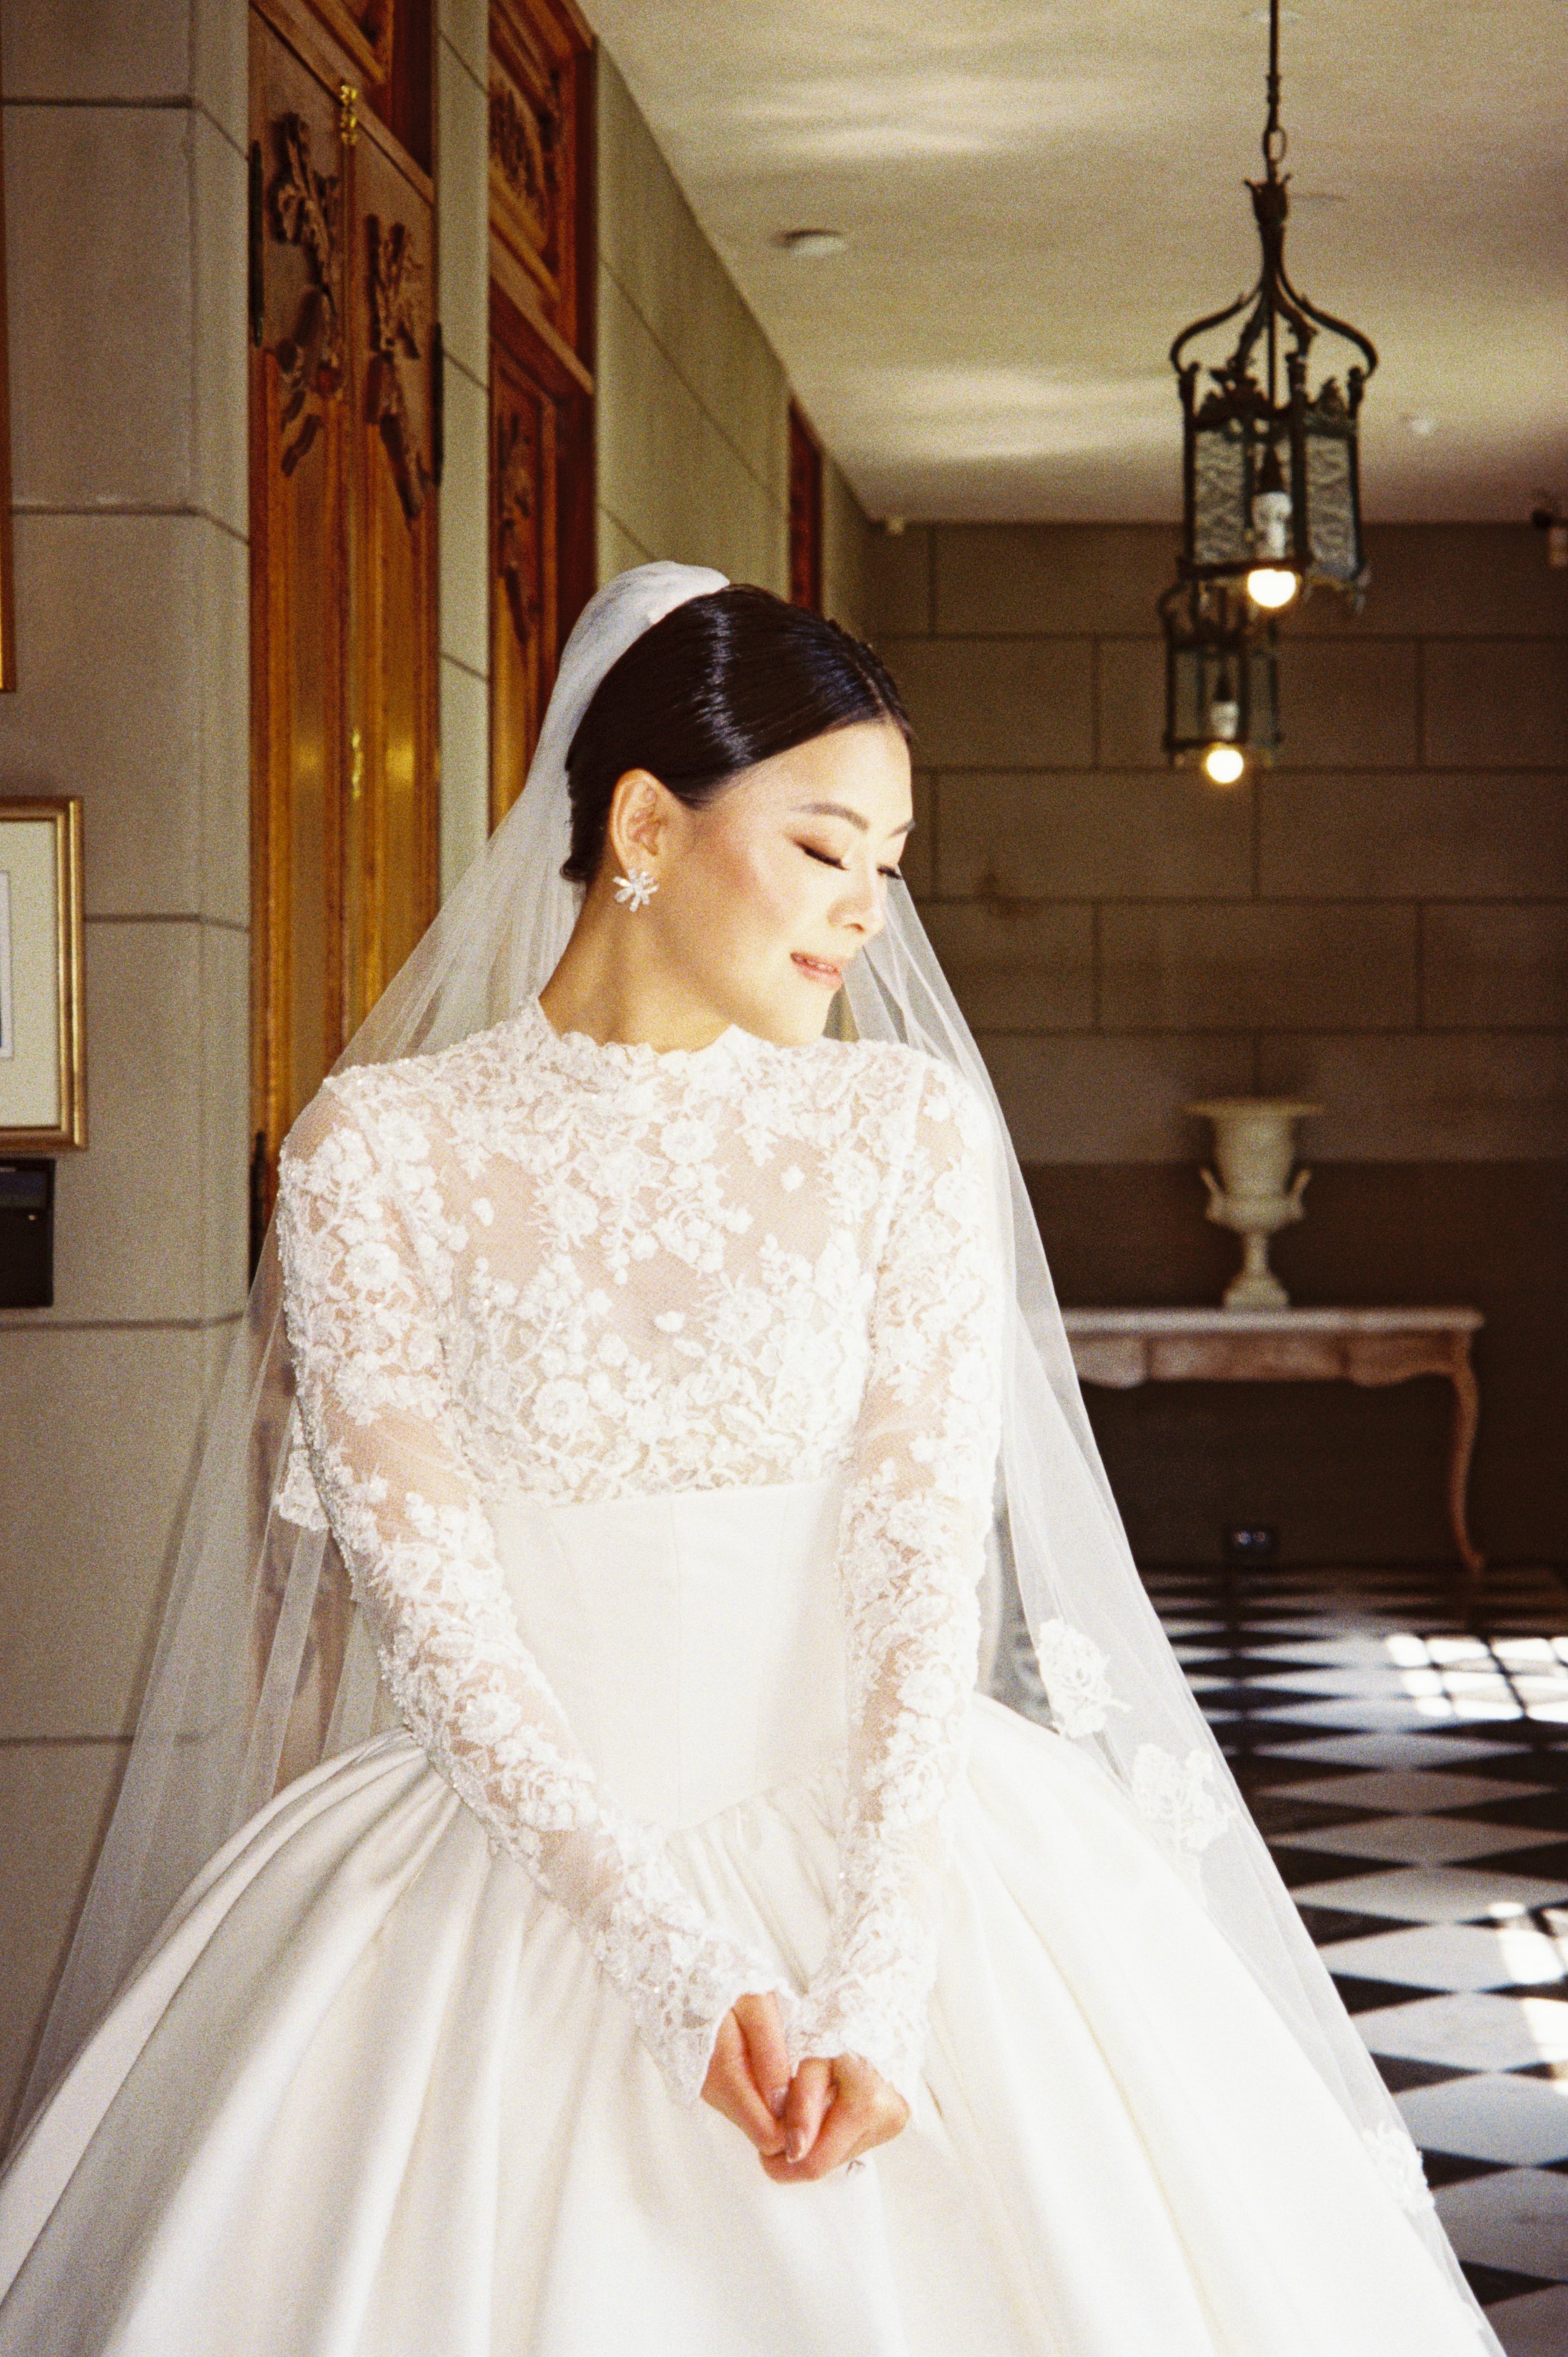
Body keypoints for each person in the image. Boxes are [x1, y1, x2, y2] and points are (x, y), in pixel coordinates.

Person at [0, 567, 1498, 2354]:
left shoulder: (901, 1135)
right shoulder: (374, 1154)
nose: (869, 909)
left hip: (900, 1853)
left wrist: (876, 1965)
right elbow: (437, 1618)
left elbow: (915, 1562)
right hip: (507, 1879)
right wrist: (665, 1952)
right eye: (822, 847)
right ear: (646, 820)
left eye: (889, 861)